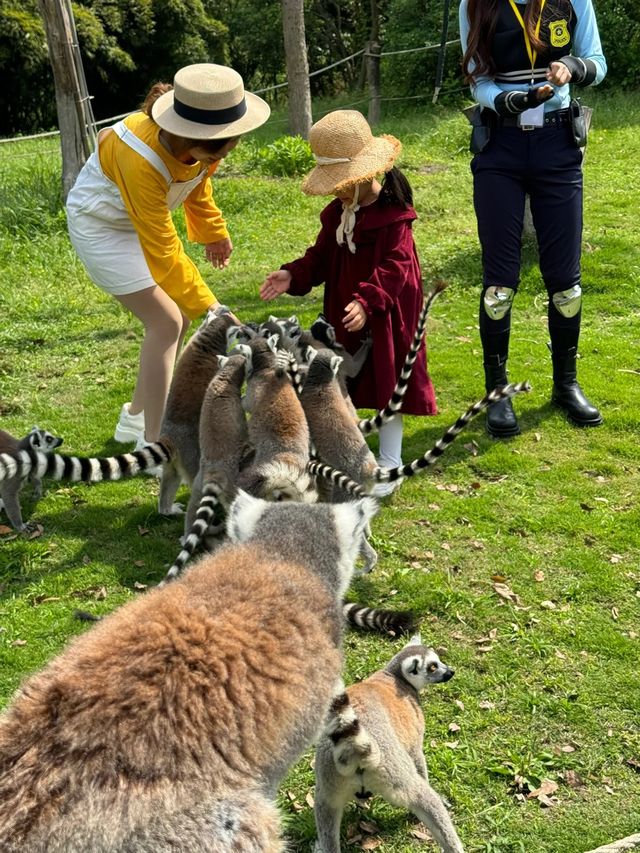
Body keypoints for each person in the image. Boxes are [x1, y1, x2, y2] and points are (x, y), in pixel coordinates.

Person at [66, 63, 270, 450]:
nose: (225, 154)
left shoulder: (201, 146)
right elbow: (163, 248)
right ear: (192, 139)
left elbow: (197, 184)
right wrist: (214, 308)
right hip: (102, 228)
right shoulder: (139, 159)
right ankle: (157, 442)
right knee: (166, 321)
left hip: (139, 221)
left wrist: (213, 232)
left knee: (173, 320)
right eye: (221, 150)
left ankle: (135, 419)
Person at [260, 109, 437, 497]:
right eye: (333, 185)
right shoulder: (339, 214)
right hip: (345, 309)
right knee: (341, 382)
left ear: (365, 175)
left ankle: (390, 462)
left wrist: (368, 300)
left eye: (342, 183)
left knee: (388, 382)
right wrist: (294, 275)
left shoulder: (393, 217)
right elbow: (321, 256)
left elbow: (398, 266)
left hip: (386, 312)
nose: (337, 191)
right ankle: (346, 451)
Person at [459, 0, 606, 437]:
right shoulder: (475, 4)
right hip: (499, 146)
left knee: (566, 281)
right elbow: (477, 80)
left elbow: (597, 63)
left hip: (558, 144)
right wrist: (507, 99)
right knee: (499, 284)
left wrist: (573, 67)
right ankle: (497, 393)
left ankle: (566, 384)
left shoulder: (574, 0)